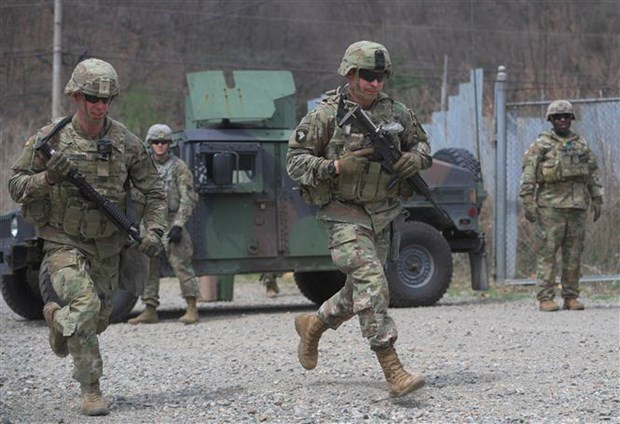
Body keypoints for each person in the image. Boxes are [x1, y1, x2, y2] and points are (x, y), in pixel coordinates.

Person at [8, 58, 166, 416]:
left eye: (107, 99)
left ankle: (56, 320)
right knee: (85, 305)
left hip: (109, 245)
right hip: (63, 242)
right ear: (75, 97)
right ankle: (91, 390)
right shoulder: (50, 139)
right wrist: (47, 178)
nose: (100, 106)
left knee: (97, 319)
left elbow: (155, 192)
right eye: (92, 98)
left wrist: (154, 230)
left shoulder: (126, 142)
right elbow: (16, 186)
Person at [286, 40, 429, 398]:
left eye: (381, 76)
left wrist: (417, 159)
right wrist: (333, 166)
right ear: (350, 74)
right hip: (343, 212)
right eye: (367, 76)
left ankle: (313, 326)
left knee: (359, 292)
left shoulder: (397, 113)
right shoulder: (326, 115)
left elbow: (422, 146)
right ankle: (392, 369)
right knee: (372, 282)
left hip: (382, 213)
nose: (375, 84)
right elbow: (294, 162)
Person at [519, 100, 603, 312]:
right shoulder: (541, 145)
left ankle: (571, 296)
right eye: (558, 117)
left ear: (571, 119)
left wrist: (597, 198)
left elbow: (592, 172)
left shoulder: (581, 144)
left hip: (577, 207)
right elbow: (528, 174)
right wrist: (527, 201)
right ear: (551, 120)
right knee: (547, 253)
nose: (562, 120)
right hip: (550, 209)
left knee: (574, 253)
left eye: (566, 116)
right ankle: (545, 297)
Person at [128, 124, 201, 325]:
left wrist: (178, 224)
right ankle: (150, 309)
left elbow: (188, 197)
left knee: (182, 265)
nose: (160, 146)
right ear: (150, 144)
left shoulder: (178, 167)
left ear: (170, 144)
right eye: (156, 142)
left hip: (171, 222)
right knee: (148, 267)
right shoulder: (143, 168)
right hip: (150, 223)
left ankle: (192, 308)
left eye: (164, 142)